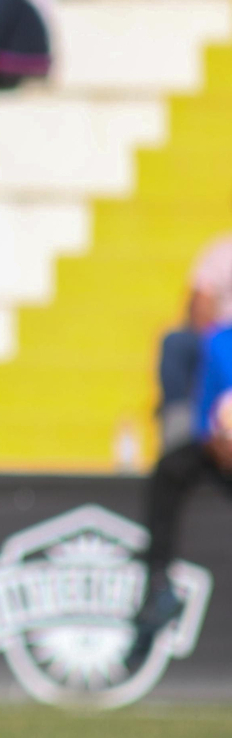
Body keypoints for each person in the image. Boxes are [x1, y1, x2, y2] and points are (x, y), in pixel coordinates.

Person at [130, 232, 232, 671]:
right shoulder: (217, 342)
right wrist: (216, 436)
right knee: (170, 469)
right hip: (220, 437)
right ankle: (158, 584)